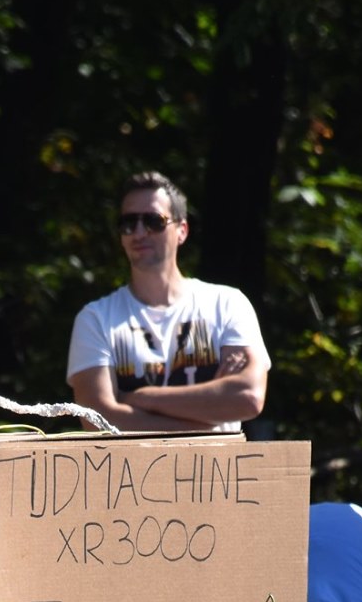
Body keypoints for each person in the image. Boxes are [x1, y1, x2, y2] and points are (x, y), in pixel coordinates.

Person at [67, 170, 268, 432]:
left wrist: (139, 398)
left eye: (153, 221)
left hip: (218, 473)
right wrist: (210, 418)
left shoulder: (227, 304)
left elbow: (248, 398)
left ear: (182, 230)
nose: (139, 232)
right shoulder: (95, 319)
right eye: (128, 223)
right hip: (132, 474)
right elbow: (99, 421)